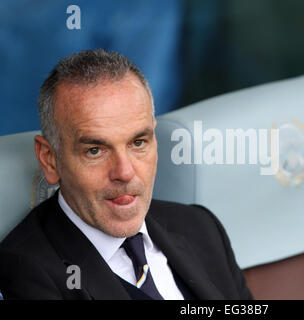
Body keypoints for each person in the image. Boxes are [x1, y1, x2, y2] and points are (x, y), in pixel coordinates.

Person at [0, 49, 253, 300]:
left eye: (139, 143)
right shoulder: (26, 269)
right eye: (95, 150)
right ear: (50, 159)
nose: (125, 172)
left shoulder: (200, 227)